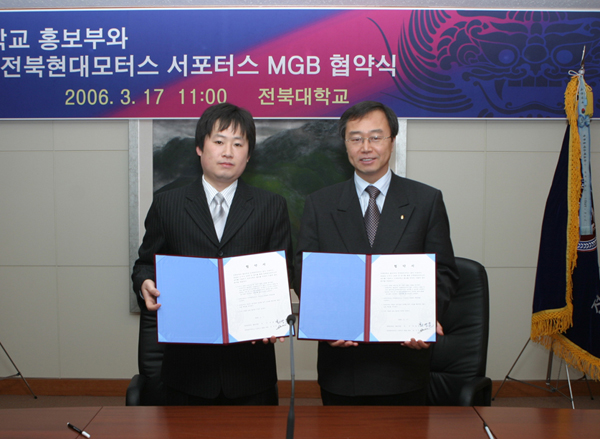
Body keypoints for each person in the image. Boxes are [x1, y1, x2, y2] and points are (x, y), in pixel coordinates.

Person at [295, 100, 459, 406]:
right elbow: (304, 270)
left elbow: (444, 272)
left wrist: (424, 319)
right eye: (356, 138)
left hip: (403, 363)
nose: (366, 147)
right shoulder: (320, 204)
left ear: (392, 141)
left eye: (375, 137)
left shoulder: (425, 201)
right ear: (345, 145)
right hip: (342, 366)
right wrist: (325, 321)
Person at [132, 102, 293, 406]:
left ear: (249, 154)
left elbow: (283, 274)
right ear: (199, 147)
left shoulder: (271, 206)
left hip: (250, 370)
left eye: (238, 144)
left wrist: (274, 313)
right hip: (186, 370)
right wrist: (145, 283)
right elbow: (145, 265)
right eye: (219, 141)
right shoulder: (167, 204)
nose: (228, 152)